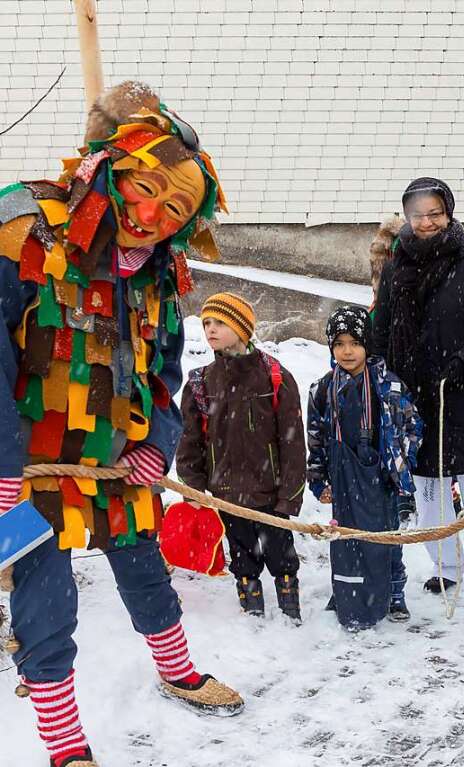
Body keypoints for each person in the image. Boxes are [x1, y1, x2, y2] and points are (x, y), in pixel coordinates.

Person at [0, 81, 242, 767]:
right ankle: (65, 744)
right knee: (45, 602)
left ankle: (176, 669)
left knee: (146, 572)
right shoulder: (23, 224)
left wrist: (156, 441)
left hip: (115, 459)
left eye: (175, 209)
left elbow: (165, 370)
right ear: (111, 166)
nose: (154, 215)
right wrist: (1, 461)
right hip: (27, 467)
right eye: (146, 188)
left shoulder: (158, 273)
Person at [371, 177, 464, 610]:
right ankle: (445, 567)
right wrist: (383, 375)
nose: (427, 221)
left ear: (449, 213)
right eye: (419, 214)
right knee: (429, 493)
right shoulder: (398, 266)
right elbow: (381, 326)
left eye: (435, 212)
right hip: (416, 397)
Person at [176, 293, 306, 621]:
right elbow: (189, 441)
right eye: (206, 322)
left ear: (242, 328)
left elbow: (292, 443)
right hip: (226, 493)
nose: (210, 329)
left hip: (269, 491)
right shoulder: (200, 383)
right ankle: (250, 600)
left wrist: (289, 496)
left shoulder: (275, 377)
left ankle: (289, 598)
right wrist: (192, 486)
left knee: (279, 550)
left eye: (219, 322)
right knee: (242, 552)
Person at [308, 305, 422, 628]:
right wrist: (318, 480)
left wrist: (401, 461)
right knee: (346, 539)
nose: (347, 351)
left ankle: (394, 591)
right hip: (343, 477)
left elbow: (413, 426)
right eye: (340, 343)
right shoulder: (322, 390)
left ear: (367, 345)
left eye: (355, 343)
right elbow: (314, 439)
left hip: (381, 476)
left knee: (386, 538)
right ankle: (345, 590)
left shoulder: (388, 386)